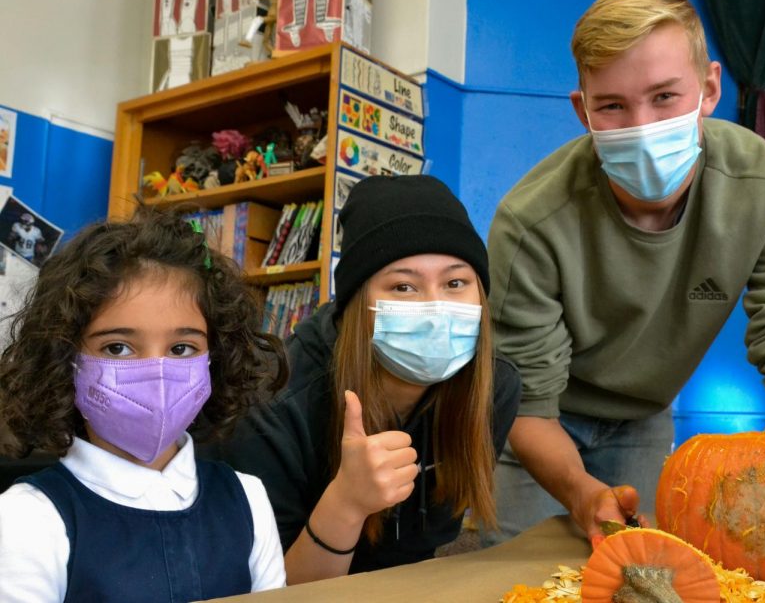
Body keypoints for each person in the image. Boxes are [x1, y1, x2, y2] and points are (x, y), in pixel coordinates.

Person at [486, 0, 765, 587]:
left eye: (665, 96)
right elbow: (527, 400)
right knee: (524, 579)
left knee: (651, 585)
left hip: (644, 417)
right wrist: (581, 493)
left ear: (710, 89)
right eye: (612, 106)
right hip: (537, 427)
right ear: (582, 110)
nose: (643, 126)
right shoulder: (530, 219)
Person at [205, 174, 521, 584]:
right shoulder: (271, 403)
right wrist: (346, 504)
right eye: (403, 286)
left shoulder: (494, 390)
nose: (435, 307)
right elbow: (270, 590)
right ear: (357, 302)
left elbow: (422, 550)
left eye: (455, 282)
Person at [0, 207, 289, 602]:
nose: (155, 370)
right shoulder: (27, 517)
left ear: (215, 357)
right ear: (64, 356)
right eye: (117, 347)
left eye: (182, 347)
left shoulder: (247, 498)